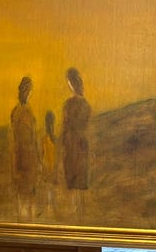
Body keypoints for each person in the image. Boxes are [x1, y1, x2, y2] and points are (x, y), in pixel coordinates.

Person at [61, 67, 91, 222]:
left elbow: (65, 127)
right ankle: (80, 218)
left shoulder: (69, 104)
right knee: (78, 182)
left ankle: (77, 219)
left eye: (69, 82)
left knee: (74, 181)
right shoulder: (85, 104)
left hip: (73, 146)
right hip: (79, 145)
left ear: (72, 83)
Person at [10, 76, 39, 221]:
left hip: (28, 155)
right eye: (28, 90)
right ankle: (24, 220)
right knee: (23, 190)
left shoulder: (23, 111)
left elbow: (33, 136)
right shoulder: (19, 112)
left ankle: (28, 221)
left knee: (28, 190)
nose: (29, 93)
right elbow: (16, 138)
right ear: (25, 91)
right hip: (22, 155)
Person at [41, 110, 58, 218]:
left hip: (50, 166)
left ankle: (51, 207)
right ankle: (50, 207)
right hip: (48, 166)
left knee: (50, 187)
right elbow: (42, 154)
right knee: (49, 187)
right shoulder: (47, 139)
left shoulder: (49, 139)